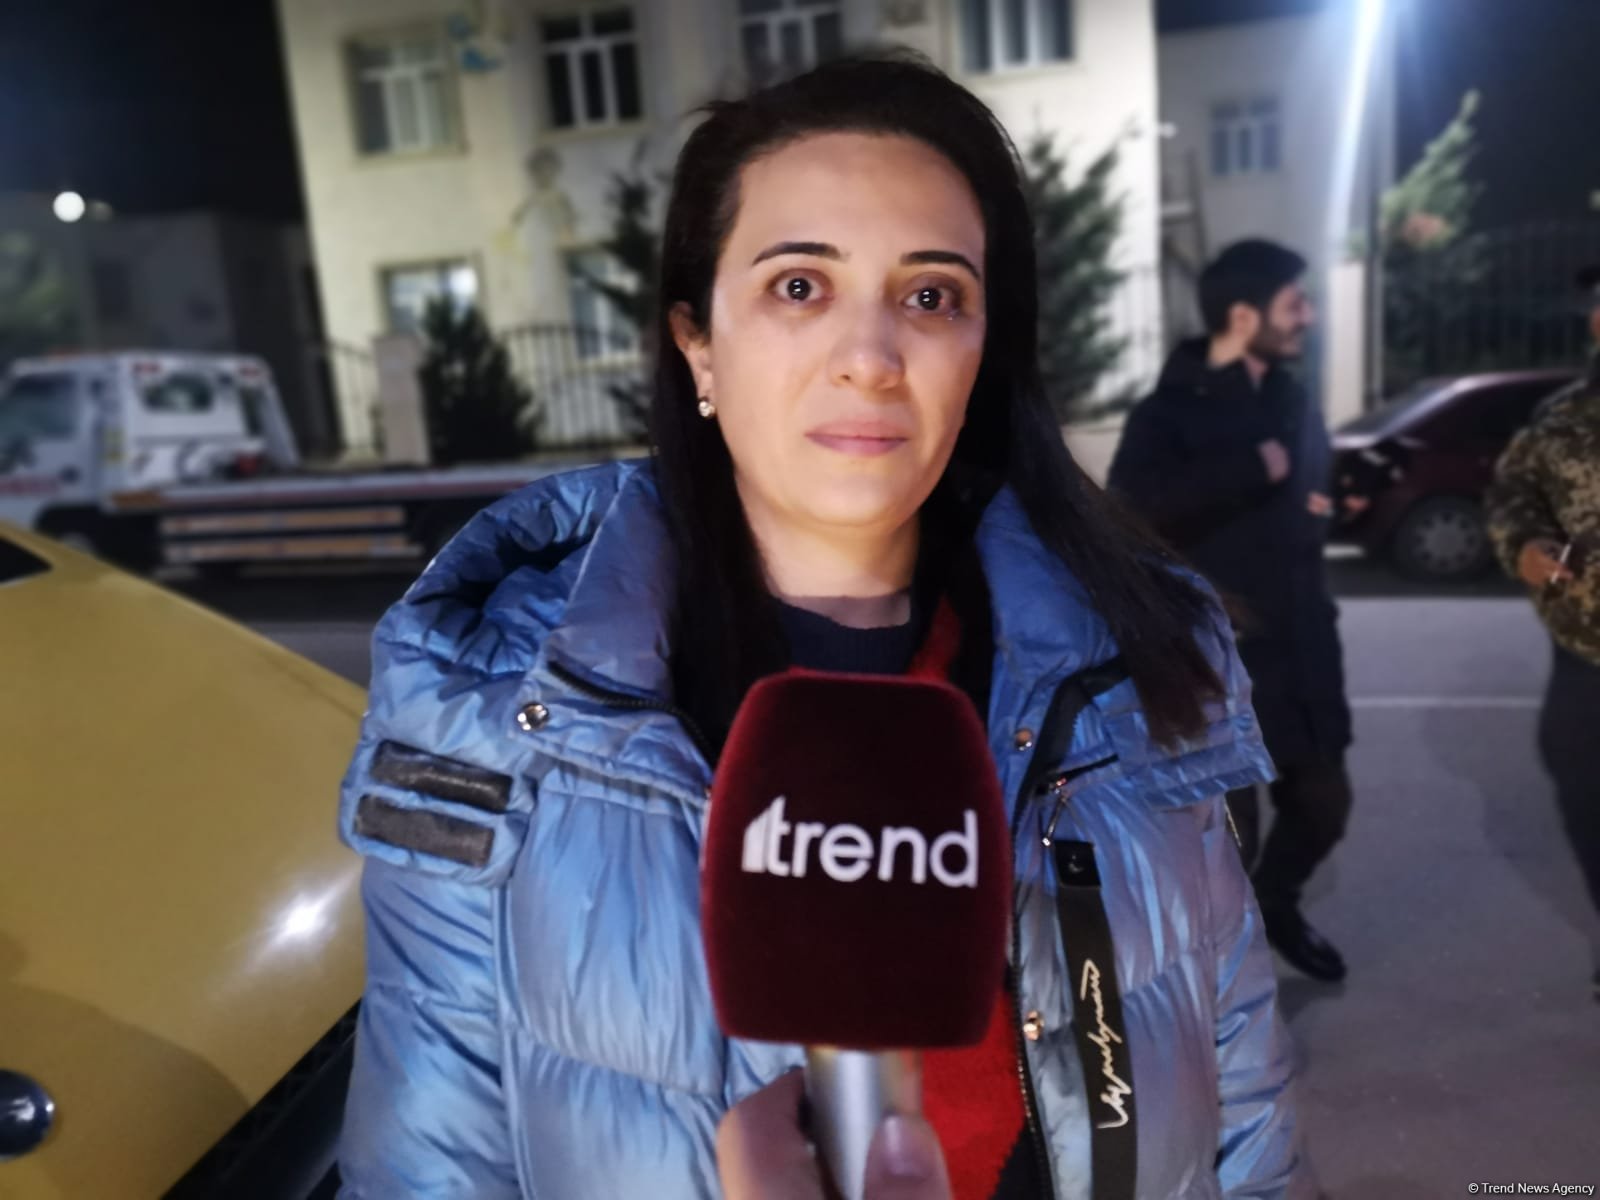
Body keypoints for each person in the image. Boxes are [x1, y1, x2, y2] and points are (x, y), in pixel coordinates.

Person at [334, 55, 1306, 1199]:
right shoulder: (489, 710)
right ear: (698, 342)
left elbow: (1244, 1109)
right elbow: (427, 1166)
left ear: (983, 348)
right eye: (800, 286)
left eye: (931, 296)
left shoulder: (1138, 665)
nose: (871, 359)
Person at [1108, 241, 1360, 985]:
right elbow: (1129, 514)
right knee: (1227, 840)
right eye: (1294, 303)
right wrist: (1248, 471)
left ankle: (1278, 905)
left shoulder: (1291, 398)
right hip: (1217, 656)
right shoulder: (1168, 413)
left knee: (1324, 803)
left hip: (1303, 643)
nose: (1308, 317)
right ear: (1244, 316)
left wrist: (1331, 504)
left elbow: (1307, 491)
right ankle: (1228, 990)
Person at [1484, 263, 1600, 1003]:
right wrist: (1524, 545)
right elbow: (1512, 492)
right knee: (1579, 779)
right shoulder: (1561, 418)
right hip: (1584, 644)